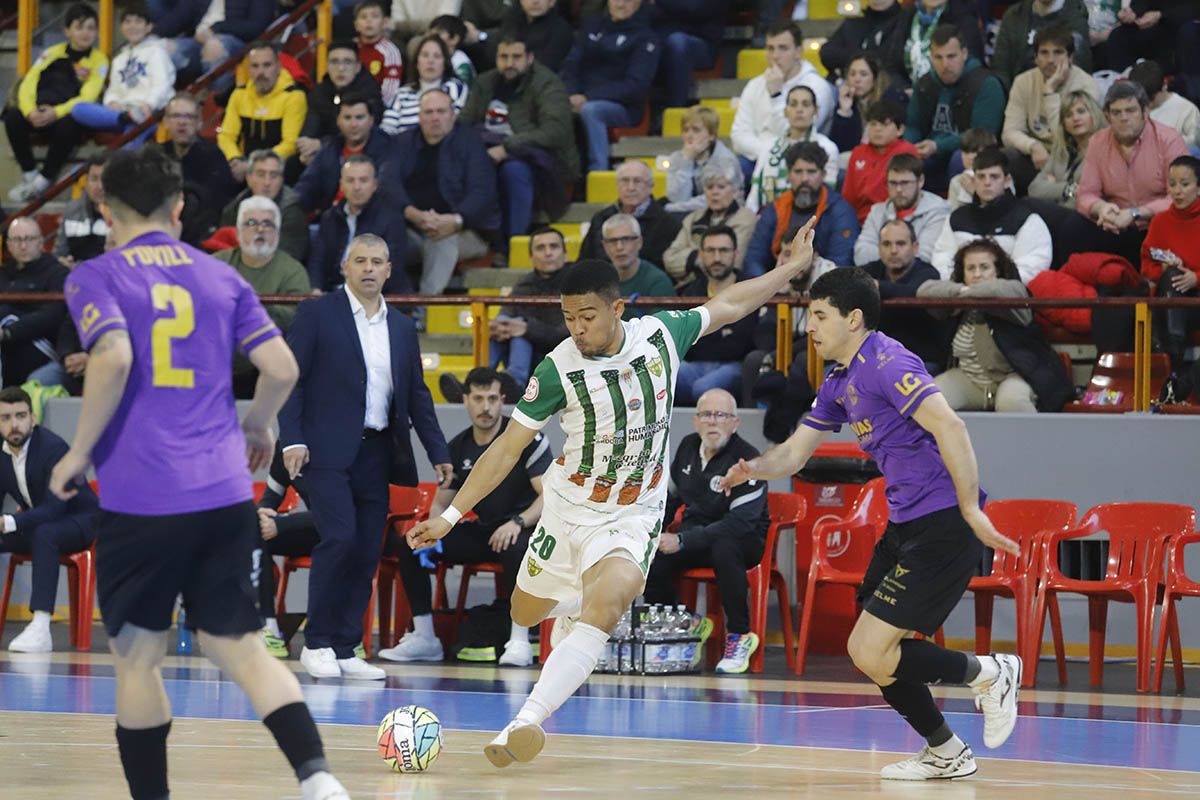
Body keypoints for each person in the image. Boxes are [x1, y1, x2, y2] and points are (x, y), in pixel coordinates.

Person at [404, 218, 823, 769]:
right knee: (526, 613)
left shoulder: (660, 335)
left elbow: (730, 305)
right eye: (568, 317)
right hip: (567, 508)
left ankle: (524, 721)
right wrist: (452, 513)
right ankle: (575, 602)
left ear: (618, 308)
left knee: (614, 598)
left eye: (587, 316)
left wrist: (789, 269)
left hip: (632, 514)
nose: (576, 327)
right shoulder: (556, 369)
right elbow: (506, 450)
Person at [48, 145, 349, 800]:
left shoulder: (95, 277)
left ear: (104, 207)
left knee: (136, 656)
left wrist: (77, 452)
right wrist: (257, 425)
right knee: (240, 648)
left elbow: (116, 356)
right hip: (221, 496)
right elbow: (282, 369)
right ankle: (318, 777)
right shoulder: (222, 277)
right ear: (179, 206)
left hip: (140, 501)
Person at [717, 265, 1022, 782]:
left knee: (870, 648)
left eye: (818, 316)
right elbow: (794, 453)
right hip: (904, 525)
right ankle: (947, 750)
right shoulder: (838, 379)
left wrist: (971, 510)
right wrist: (754, 467)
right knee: (873, 655)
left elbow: (951, 424)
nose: (808, 327)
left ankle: (992, 672)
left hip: (943, 523)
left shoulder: (887, 361)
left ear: (853, 318)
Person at [279, 233, 452, 680]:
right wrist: (292, 439)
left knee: (365, 549)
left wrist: (437, 450)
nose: (369, 268)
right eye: (361, 261)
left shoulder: (401, 326)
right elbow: (289, 378)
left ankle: (344, 645)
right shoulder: (317, 313)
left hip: (377, 452)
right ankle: (316, 642)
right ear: (345, 266)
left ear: (390, 269)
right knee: (339, 537)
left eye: (378, 261)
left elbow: (416, 396)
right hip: (323, 451)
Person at [382, 367, 552, 667]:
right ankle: (424, 636)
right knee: (409, 543)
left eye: (492, 399)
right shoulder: (457, 447)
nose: (485, 407)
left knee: (518, 547)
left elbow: (548, 496)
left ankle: (520, 640)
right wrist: (433, 534)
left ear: (502, 401)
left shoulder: (526, 439)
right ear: (465, 400)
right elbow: (441, 505)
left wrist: (518, 522)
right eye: (478, 398)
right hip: (485, 532)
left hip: (525, 529)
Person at [644, 388, 767, 672]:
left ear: (734, 423)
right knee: (653, 556)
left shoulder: (747, 459)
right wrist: (650, 535)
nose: (713, 421)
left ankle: (739, 635)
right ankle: (685, 624)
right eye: (706, 415)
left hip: (742, 539)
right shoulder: (687, 447)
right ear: (695, 421)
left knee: (725, 547)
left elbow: (740, 523)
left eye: (721, 415)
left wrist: (684, 540)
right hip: (696, 535)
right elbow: (670, 500)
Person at [459, 31, 580, 261]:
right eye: (504, 57)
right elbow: (465, 122)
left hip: (544, 161)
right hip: (488, 152)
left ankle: (513, 244)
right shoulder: (486, 81)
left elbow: (554, 131)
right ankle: (480, 238)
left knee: (513, 171)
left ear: (530, 58)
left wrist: (507, 148)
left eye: (516, 57)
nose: (509, 63)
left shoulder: (548, 84)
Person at [920, 238, 1073, 412]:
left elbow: (993, 291)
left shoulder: (1014, 289)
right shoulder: (960, 298)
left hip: (1013, 376)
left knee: (1012, 403)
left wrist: (962, 294)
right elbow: (924, 290)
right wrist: (963, 291)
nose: (977, 274)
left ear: (997, 270)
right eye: (970, 268)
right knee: (928, 401)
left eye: (984, 267)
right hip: (969, 378)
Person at [0, 386, 99, 653]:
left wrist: (9, 521)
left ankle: (41, 626)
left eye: (21, 416)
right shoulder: (2, 456)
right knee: (40, 530)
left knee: (46, 532)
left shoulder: (53, 448)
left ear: (33, 418)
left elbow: (55, 509)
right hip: (40, 524)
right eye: (6, 418)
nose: (14, 424)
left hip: (81, 521)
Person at [390, 89, 498, 297]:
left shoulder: (470, 142)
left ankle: (425, 306)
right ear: (419, 116)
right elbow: (388, 183)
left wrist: (456, 220)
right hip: (413, 227)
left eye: (441, 111)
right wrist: (413, 214)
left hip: (466, 231)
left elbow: (483, 191)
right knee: (380, 235)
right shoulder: (403, 142)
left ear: (453, 115)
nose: (435, 118)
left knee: (441, 240)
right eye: (428, 112)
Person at [1071, 80, 1190, 266]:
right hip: (1114, 227)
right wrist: (1101, 208)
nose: (1124, 118)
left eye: (1130, 110)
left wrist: (1135, 213)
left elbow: (1182, 196)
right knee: (1072, 225)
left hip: (1157, 228)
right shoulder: (1098, 142)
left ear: (1145, 112)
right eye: (1116, 112)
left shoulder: (1169, 140)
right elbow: (1085, 195)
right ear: (1107, 116)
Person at [4, 3, 108, 203]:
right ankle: (30, 175)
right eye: (79, 27)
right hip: (39, 111)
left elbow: (88, 96)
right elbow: (28, 84)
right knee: (13, 117)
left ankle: (44, 179)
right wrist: (30, 111)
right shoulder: (51, 53)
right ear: (67, 31)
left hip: (66, 117)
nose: (85, 33)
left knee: (70, 122)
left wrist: (55, 112)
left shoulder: (99, 60)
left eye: (91, 28)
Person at [215, 197, 313, 398]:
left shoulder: (293, 271)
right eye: (251, 223)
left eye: (267, 224)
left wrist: (250, 308)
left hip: (265, 368)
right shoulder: (216, 265)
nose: (259, 230)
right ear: (238, 230)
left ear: (277, 231)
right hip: (218, 360)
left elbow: (298, 321)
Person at [560, 0, 661, 172]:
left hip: (624, 108)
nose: (620, 5)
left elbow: (635, 86)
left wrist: (587, 98)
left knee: (591, 110)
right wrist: (571, 95)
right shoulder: (592, 26)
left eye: (627, 0)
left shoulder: (646, 37)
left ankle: (598, 172)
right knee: (552, 106)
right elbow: (571, 66)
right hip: (579, 98)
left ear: (638, 3)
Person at [903, 24, 1005, 193]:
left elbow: (982, 135)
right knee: (899, 159)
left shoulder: (986, 84)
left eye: (951, 56)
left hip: (968, 152)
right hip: (930, 152)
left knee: (960, 159)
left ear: (964, 54)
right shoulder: (925, 84)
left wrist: (938, 146)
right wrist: (908, 148)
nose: (945, 64)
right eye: (938, 57)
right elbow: (913, 124)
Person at [1001, 24, 1100, 195]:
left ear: (1070, 57)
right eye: (1044, 53)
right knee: (1006, 156)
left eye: (1058, 52)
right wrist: (1033, 146)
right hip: (1037, 156)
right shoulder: (1023, 82)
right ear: (1036, 58)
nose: (1050, 60)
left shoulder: (1086, 85)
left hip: (1070, 160)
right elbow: (1009, 132)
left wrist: (1050, 92)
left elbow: (1069, 139)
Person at [731, 21, 836, 182]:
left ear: (798, 52)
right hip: (759, 158)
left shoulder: (817, 86)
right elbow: (738, 135)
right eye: (770, 48)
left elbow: (797, 134)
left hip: (802, 162)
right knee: (730, 169)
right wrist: (767, 154)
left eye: (783, 48)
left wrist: (776, 96)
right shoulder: (755, 85)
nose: (775, 56)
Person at [931, 147, 1053, 285]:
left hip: (1006, 299)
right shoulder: (957, 218)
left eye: (994, 176)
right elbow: (941, 259)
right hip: (960, 295)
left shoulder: (1027, 219)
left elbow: (1032, 268)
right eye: (981, 176)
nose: (987, 182)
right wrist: (962, 285)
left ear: (1007, 181)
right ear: (973, 180)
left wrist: (990, 285)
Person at [476, 226, 571, 393]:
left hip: (564, 358)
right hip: (532, 358)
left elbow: (570, 335)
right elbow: (505, 315)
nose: (548, 253)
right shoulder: (524, 283)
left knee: (520, 328)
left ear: (565, 254)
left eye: (554, 247)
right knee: (506, 325)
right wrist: (497, 326)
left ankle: (510, 382)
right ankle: (479, 380)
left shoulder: (577, 282)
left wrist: (527, 328)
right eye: (541, 248)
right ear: (531, 258)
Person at [744, 142, 861, 277]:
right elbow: (754, 258)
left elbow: (840, 264)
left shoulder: (841, 212)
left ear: (823, 174)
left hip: (821, 288)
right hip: (776, 287)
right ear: (788, 174)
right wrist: (767, 288)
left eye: (811, 172)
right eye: (798, 172)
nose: (804, 179)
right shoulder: (774, 209)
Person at [675, 227, 758, 405]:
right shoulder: (691, 292)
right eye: (711, 251)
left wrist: (707, 337)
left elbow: (743, 344)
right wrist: (724, 334)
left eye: (723, 250)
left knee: (703, 388)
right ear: (701, 254)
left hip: (734, 366)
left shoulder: (750, 288)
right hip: (693, 365)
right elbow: (685, 343)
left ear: (736, 254)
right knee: (665, 374)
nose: (717, 258)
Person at [69, 3, 174, 144]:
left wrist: (148, 104)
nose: (132, 26)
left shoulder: (157, 52)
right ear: (122, 27)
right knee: (78, 108)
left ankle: (131, 120)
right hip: (123, 113)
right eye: (128, 22)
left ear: (149, 27)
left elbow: (162, 85)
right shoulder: (119, 59)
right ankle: (127, 118)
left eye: (138, 21)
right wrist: (112, 102)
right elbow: (113, 89)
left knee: (136, 126)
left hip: (149, 114)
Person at [1140, 155, 1200, 399]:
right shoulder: (1161, 221)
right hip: (1170, 298)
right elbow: (1146, 264)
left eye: (1185, 184)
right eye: (1172, 184)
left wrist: (1196, 278)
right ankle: (1173, 356)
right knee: (1172, 277)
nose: (1177, 191)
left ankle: (1174, 367)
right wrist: (1163, 271)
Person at [310, 155, 413, 294]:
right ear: (341, 185)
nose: (356, 187)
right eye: (350, 180)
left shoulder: (392, 218)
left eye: (363, 180)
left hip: (378, 298)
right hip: (335, 295)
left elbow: (392, 271)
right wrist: (316, 289)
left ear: (375, 185)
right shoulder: (330, 217)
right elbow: (318, 260)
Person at [218, 42, 309, 184]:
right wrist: (235, 159)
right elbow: (226, 136)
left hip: (280, 171)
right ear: (249, 69)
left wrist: (254, 166)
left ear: (278, 68)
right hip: (245, 168)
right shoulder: (239, 95)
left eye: (267, 65)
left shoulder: (294, 96)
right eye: (255, 66)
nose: (261, 72)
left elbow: (290, 144)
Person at [860, 219, 945, 370]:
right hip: (875, 358)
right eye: (886, 244)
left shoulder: (928, 273)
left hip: (919, 360)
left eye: (900, 244)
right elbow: (847, 280)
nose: (893, 250)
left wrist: (876, 286)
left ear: (915, 247)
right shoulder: (872, 270)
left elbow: (913, 292)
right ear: (879, 249)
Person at [153, 93, 237, 246]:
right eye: (176, 116)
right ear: (165, 122)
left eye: (189, 117)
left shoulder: (214, 157)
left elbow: (213, 205)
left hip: (198, 237)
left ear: (199, 122)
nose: (182, 123)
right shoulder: (155, 155)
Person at [294, 96, 396, 216]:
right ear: (338, 121)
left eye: (359, 117)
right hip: (331, 221)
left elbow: (388, 193)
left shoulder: (387, 149)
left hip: (372, 220)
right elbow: (307, 185)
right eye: (347, 118)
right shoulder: (330, 148)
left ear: (371, 120)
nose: (354, 124)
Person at [746, 85, 840, 213]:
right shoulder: (768, 147)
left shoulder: (828, 148)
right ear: (785, 111)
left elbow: (828, 195)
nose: (799, 110)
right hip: (767, 217)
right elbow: (754, 195)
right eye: (793, 104)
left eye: (805, 104)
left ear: (816, 111)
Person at [0, 218, 70, 387]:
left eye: (29, 239)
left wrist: (8, 332)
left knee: (6, 313)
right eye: (17, 240)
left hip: (42, 345)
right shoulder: (3, 273)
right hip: (7, 347)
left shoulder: (57, 272)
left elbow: (53, 315)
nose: (23, 246)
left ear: (41, 242)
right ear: (8, 245)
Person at [663, 161, 758, 284]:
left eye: (721, 187)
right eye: (709, 187)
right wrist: (698, 259)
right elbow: (669, 259)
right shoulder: (692, 218)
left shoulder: (746, 218)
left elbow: (732, 263)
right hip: (690, 289)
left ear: (735, 191)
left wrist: (689, 261)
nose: (714, 192)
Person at [294, 38, 385, 164]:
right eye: (334, 62)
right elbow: (310, 128)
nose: (341, 68)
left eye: (347, 62)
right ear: (327, 66)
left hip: (362, 155)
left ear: (358, 67)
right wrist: (306, 148)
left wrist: (321, 144)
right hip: (324, 153)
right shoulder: (320, 91)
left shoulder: (369, 92)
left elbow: (360, 134)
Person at [579, 160, 682, 270]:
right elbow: (584, 262)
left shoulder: (667, 223)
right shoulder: (600, 219)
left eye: (637, 181)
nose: (630, 188)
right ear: (617, 185)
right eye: (625, 181)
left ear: (651, 186)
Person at [855, 152, 949, 266]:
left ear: (920, 181)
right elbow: (861, 254)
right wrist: (900, 257)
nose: (898, 189)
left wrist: (884, 255)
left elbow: (924, 257)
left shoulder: (938, 211)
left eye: (905, 183)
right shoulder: (877, 211)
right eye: (893, 183)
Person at [219, 150, 311, 263]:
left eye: (274, 176)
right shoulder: (234, 208)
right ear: (249, 178)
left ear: (281, 180)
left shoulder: (292, 212)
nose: (267, 182)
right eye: (261, 175)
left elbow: (287, 259)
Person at [159, 0, 273, 90]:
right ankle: (158, 106)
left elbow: (256, 27)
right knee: (162, 49)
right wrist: (151, 32)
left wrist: (216, 29)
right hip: (197, 40)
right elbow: (180, 16)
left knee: (214, 46)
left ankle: (214, 102)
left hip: (237, 43)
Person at [842, 100, 920, 223]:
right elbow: (848, 197)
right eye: (873, 124)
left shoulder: (907, 151)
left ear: (900, 130)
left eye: (884, 124)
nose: (877, 129)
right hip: (858, 221)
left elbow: (905, 196)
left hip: (894, 219)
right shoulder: (858, 152)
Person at [990, 0, 1092, 91]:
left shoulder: (1076, 16)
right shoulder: (1014, 15)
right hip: (1017, 95)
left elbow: (1078, 68)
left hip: (1063, 98)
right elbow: (1001, 68)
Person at [1028, 89, 1105, 210]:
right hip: (1058, 214)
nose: (1075, 118)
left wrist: (1052, 187)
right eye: (1068, 115)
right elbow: (1034, 189)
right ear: (1063, 124)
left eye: (1081, 111)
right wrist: (1068, 189)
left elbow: (1087, 196)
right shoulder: (1062, 150)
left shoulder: (1105, 150)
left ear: (1094, 114)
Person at [881, 0, 983, 89]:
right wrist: (903, 90)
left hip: (947, 100)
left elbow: (970, 70)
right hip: (907, 98)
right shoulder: (906, 17)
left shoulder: (964, 21)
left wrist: (924, 93)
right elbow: (891, 65)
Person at [380, 34, 468, 134]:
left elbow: (453, 124)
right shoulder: (401, 94)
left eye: (437, 56)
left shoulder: (454, 87)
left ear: (445, 63)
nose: (430, 61)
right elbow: (387, 129)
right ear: (417, 63)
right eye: (425, 55)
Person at [665, 105, 742, 215]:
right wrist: (687, 161)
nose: (689, 135)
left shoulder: (725, 160)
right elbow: (677, 198)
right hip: (686, 214)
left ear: (711, 135)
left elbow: (714, 199)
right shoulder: (677, 158)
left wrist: (672, 208)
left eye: (696, 130)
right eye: (686, 130)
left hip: (724, 214)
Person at [649, 0, 726, 110]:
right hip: (659, 39)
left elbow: (693, 8)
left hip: (701, 43)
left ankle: (675, 111)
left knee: (677, 43)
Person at [600, 215, 676, 318]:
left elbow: (659, 329)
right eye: (613, 241)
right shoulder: (597, 282)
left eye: (626, 239)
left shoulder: (658, 282)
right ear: (604, 246)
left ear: (639, 242)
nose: (619, 247)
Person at [829, 53, 906, 152]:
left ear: (875, 78)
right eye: (852, 74)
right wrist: (844, 112)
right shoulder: (846, 101)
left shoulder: (892, 100)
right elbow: (837, 147)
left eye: (863, 74)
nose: (857, 80)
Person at [820, 0, 904, 79]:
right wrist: (865, 57)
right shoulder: (855, 23)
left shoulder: (905, 21)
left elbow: (892, 59)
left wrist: (846, 64)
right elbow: (827, 53)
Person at [1129, 60, 1200, 151]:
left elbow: (1195, 144)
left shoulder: (1187, 110)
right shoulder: (1128, 109)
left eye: (1151, 99)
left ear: (1164, 85)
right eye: (1141, 99)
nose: (1146, 104)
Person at [54, 153, 110, 265]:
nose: (100, 186)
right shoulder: (71, 210)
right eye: (94, 179)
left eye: (105, 179)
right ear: (86, 182)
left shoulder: (126, 215)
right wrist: (61, 263)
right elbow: (58, 255)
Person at [494, 0, 576, 72]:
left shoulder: (561, 30)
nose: (535, 1)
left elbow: (547, 67)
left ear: (552, 2)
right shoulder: (511, 22)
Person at [353, 0, 404, 106]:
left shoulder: (390, 51)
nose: (369, 21)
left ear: (384, 22)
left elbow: (391, 91)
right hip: (349, 103)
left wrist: (374, 108)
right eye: (363, 17)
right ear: (356, 25)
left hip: (377, 107)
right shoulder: (351, 49)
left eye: (375, 16)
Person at [945, 127, 998, 211]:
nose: (970, 157)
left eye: (976, 152)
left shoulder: (1000, 179)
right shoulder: (956, 182)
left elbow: (1003, 212)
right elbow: (953, 216)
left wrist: (974, 191)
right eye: (966, 152)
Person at [430, 14, 478, 87]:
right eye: (430, 35)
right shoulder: (434, 58)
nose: (431, 39)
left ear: (454, 39)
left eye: (438, 34)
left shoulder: (461, 65)